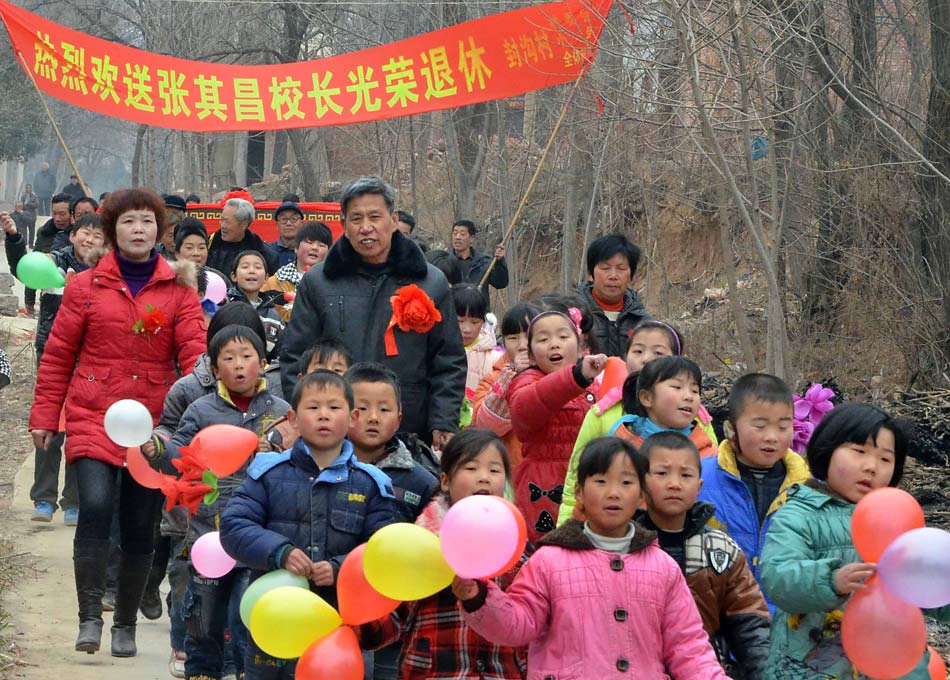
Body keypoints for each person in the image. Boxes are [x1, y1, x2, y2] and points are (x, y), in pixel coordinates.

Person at [27, 187, 207, 657]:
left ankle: (124, 623)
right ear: (111, 231)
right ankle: (90, 618)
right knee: (98, 505)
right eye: (128, 222)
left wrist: (201, 419)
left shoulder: (179, 289)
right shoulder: (85, 287)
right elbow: (58, 355)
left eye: (147, 221)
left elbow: (194, 357)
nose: (138, 230)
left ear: (160, 230)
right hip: (92, 413)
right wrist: (46, 415)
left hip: (152, 423)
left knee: (140, 523)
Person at [454, 437, 728, 680]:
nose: (614, 492)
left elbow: (690, 649)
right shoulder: (548, 561)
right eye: (600, 481)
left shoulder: (662, 567)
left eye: (626, 482)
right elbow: (518, 624)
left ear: (641, 495)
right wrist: (479, 598)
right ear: (580, 493)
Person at [220, 370, 396, 680]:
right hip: (276, 622)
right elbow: (234, 526)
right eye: (313, 408)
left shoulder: (371, 484)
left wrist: (341, 568)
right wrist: (281, 552)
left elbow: (384, 551)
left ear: (352, 416)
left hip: (342, 625)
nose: (324, 416)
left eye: (334, 407)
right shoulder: (268, 474)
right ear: (293, 418)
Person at [760, 403, 949, 678]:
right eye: (859, 452)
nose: (871, 467)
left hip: (895, 665)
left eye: (885, 459)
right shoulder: (800, 513)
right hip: (811, 666)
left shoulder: (899, 520)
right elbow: (777, 575)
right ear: (827, 450)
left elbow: (928, 587)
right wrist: (830, 580)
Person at [144, 325, 289, 680]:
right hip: (207, 532)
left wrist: (278, 451)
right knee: (204, 624)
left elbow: (296, 466)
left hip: (257, 537)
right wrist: (159, 451)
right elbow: (182, 454)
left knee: (245, 621)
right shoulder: (201, 409)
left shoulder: (282, 411)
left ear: (264, 363)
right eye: (228, 358)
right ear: (213, 366)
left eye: (247, 357)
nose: (239, 366)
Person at [279, 176, 466, 448]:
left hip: (409, 430)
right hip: (333, 431)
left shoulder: (430, 282)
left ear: (393, 219)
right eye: (356, 219)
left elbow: (448, 359)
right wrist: (306, 415)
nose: (366, 228)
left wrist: (443, 420)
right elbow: (295, 357)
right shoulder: (319, 282)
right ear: (343, 224)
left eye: (375, 217)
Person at [359, 428, 528, 680]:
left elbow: (528, 623)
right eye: (471, 468)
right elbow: (390, 617)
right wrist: (363, 625)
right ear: (446, 481)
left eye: (494, 470)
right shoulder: (421, 544)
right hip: (434, 671)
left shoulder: (518, 553)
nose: (484, 478)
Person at [636, 432, 770, 677]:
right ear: (641, 484)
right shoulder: (626, 548)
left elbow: (749, 624)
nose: (674, 483)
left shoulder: (720, 549)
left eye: (685, 475)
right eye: (662, 473)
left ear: (699, 486)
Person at [3, 212, 107, 524]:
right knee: (49, 425)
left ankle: (73, 500)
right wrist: (13, 238)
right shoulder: (54, 261)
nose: (89, 239)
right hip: (53, 353)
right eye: (84, 233)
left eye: (97, 236)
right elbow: (23, 269)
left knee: (80, 428)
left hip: (91, 359)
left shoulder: (108, 271)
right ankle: (44, 499)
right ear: (73, 235)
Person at [559, 322, 717, 524]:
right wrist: (568, 528)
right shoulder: (606, 415)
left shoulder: (699, 421)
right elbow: (578, 478)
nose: (646, 359)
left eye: (658, 353)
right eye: (638, 351)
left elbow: (715, 481)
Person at [697, 373, 810, 592]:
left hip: (784, 617)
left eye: (783, 427)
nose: (772, 437)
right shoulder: (700, 476)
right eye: (760, 426)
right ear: (730, 429)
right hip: (718, 614)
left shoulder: (807, 487)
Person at [508, 309, 607, 543]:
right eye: (543, 339)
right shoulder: (526, 381)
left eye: (563, 337)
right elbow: (526, 408)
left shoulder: (596, 385)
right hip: (543, 489)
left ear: (581, 345)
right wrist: (576, 377)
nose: (554, 344)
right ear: (531, 355)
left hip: (590, 485)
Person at [346, 362, 439, 523]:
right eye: (362, 408)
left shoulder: (421, 483)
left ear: (398, 419)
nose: (373, 417)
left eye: (384, 410)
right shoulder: (323, 468)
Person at [605, 356, 717, 458]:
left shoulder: (708, 455)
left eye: (694, 391)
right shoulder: (621, 444)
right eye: (677, 387)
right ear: (646, 398)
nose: (689, 397)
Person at [472, 303, 538, 467]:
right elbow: (483, 428)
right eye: (513, 338)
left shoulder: (562, 376)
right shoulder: (493, 380)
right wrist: (513, 376)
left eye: (528, 335)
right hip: (509, 472)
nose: (522, 345)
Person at [578, 233, 652, 357]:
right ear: (591, 274)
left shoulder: (644, 323)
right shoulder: (574, 317)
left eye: (621, 269)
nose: (613, 276)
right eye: (605, 268)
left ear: (631, 275)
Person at [262, 221, 332, 322]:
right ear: (296, 247)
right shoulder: (273, 283)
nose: (315, 248)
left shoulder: (334, 284)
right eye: (309, 242)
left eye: (321, 245)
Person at [227, 250, 285, 361]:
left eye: (258, 267)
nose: (252, 271)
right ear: (233, 276)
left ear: (266, 278)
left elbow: (281, 354)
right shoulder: (224, 306)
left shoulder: (274, 317)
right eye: (245, 267)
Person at [206, 197, 279, 278]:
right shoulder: (209, 245)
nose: (222, 225)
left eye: (227, 221)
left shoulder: (263, 252)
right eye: (221, 219)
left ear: (244, 224)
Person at [25, 192, 73, 316]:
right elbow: (34, 266)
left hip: (74, 299)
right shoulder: (44, 233)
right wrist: (29, 301)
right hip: (49, 297)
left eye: (62, 214)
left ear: (72, 214)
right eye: (54, 213)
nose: (57, 218)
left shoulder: (80, 235)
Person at [453, 283, 503, 398]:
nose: (467, 329)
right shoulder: (436, 352)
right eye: (460, 321)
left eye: (475, 322)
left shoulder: (496, 360)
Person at [451, 219, 507, 304]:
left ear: (472, 238)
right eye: (455, 233)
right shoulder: (446, 261)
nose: (457, 237)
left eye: (462, 234)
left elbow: (500, 283)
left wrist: (499, 262)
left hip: (478, 313)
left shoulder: (483, 261)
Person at [268, 201, 306, 267]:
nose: (288, 223)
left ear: (302, 223)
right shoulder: (268, 251)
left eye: (293, 219)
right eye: (284, 219)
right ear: (277, 225)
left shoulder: (308, 251)